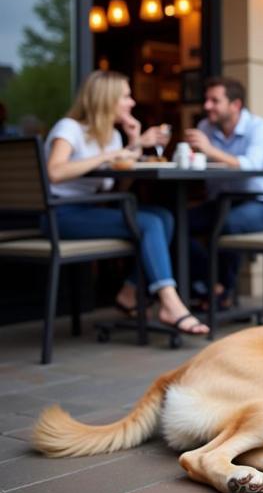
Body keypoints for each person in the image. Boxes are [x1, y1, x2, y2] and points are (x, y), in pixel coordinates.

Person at [45, 70, 209, 335]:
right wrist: (113, 154)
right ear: (106, 99)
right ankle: (170, 302)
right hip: (60, 214)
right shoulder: (70, 128)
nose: (132, 103)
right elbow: (55, 171)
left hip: (92, 209)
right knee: (148, 222)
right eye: (126, 96)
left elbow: (118, 186)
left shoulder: (112, 136)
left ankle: (130, 291)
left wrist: (133, 142)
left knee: (163, 217)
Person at [184, 76, 263, 305]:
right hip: (221, 202)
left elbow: (252, 165)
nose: (207, 106)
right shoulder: (205, 127)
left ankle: (222, 292)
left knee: (226, 223)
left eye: (214, 101)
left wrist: (208, 150)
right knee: (176, 222)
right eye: (206, 100)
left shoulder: (259, 127)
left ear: (235, 105)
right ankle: (211, 283)